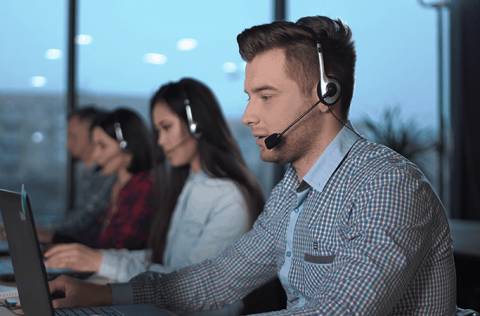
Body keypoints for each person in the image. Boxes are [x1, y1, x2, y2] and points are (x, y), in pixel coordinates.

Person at [48, 16, 456, 315]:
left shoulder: (388, 185)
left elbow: (338, 311)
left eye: (265, 96)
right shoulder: (292, 192)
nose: (247, 116)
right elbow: (218, 278)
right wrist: (100, 296)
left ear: (325, 94)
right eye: (248, 96)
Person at [45, 78, 265, 315]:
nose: (160, 141)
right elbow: (165, 262)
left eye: (166, 127)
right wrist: (98, 258)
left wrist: (101, 264)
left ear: (195, 125)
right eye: (157, 131)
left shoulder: (229, 198)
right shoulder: (188, 184)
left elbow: (194, 284)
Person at [37, 106, 115, 244]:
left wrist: (48, 234)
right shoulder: (88, 174)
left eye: (73, 136)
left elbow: (84, 222)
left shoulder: (108, 177)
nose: (68, 144)